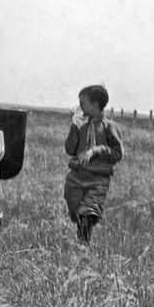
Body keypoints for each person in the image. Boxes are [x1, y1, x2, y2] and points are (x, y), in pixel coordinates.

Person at [64, 84, 124, 244]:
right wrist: (74, 128)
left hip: (98, 180)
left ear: (95, 105)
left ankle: (83, 246)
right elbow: (70, 149)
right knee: (76, 211)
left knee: (88, 213)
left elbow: (118, 154)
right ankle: (81, 241)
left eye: (83, 103)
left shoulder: (109, 127)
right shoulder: (80, 125)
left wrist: (96, 150)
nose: (79, 106)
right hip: (76, 178)